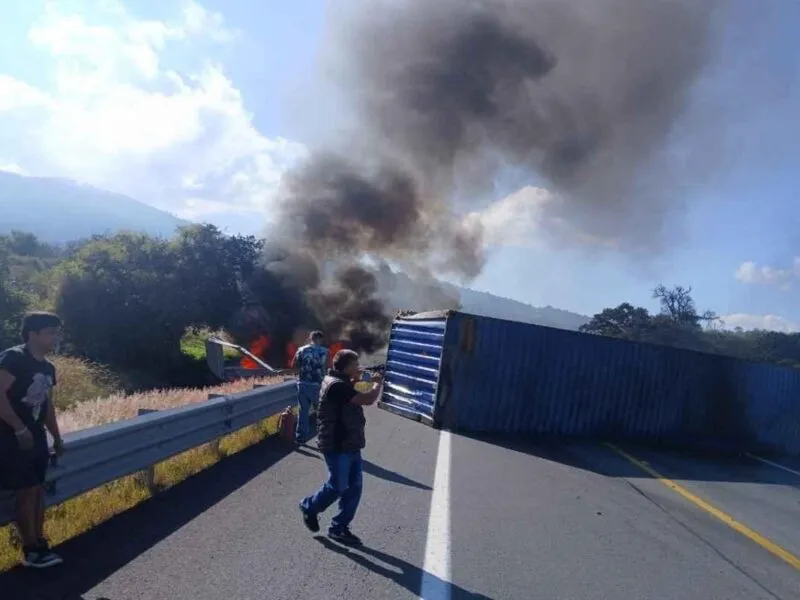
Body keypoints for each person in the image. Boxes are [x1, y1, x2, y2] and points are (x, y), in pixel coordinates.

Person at [0, 312, 65, 568]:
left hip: (36, 436)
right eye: (50, 332)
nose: (56, 337)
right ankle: (31, 551)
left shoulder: (47, 368)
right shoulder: (14, 358)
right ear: (32, 334)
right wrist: (19, 428)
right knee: (26, 492)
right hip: (10, 437)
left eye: (57, 332)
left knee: (37, 491)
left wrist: (56, 437)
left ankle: (39, 542)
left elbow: (46, 406)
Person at [299, 349, 383, 546]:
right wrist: (378, 383)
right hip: (337, 443)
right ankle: (310, 507)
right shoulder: (337, 386)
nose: (359, 367)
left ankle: (339, 528)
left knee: (354, 488)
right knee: (338, 486)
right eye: (355, 364)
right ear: (346, 367)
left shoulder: (340, 380)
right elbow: (367, 399)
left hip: (350, 442)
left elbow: (352, 388)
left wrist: (360, 378)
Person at [290, 331, 329, 445]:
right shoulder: (325, 351)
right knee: (322, 413)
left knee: (303, 412)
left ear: (310, 338)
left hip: (302, 384)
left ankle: (300, 438)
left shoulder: (301, 350)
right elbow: (329, 368)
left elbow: (293, 366)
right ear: (320, 339)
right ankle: (322, 439)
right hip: (318, 386)